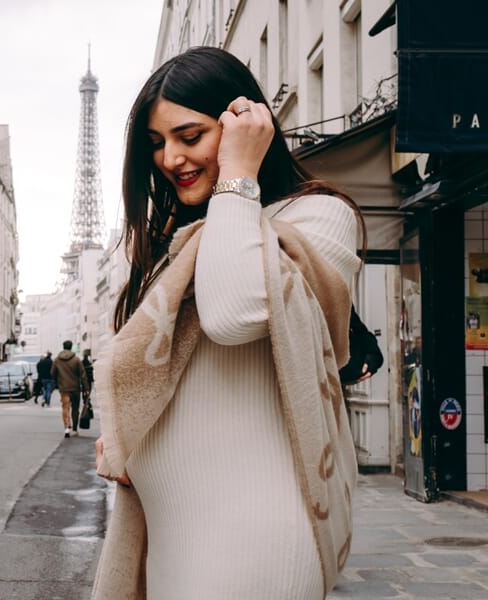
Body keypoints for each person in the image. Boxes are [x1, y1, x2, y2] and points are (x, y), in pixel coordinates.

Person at [91, 47, 360, 600]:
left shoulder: (317, 217)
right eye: (157, 144)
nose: (169, 159)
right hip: (174, 533)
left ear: (247, 124)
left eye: (190, 137)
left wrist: (237, 174)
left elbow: (233, 314)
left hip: (253, 536)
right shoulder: (184, 238)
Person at [51, 340, 88, 438]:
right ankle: (75, 428)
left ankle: (67, 428)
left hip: (64, 388)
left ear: (63, 347)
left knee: (65, 407)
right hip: (75, 388)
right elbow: (83, 374)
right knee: (75, 408)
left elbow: (52, 373)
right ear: (71, 347)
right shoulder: (76, 360)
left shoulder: (57, 360)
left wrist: (58, 382)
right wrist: (86, 388)